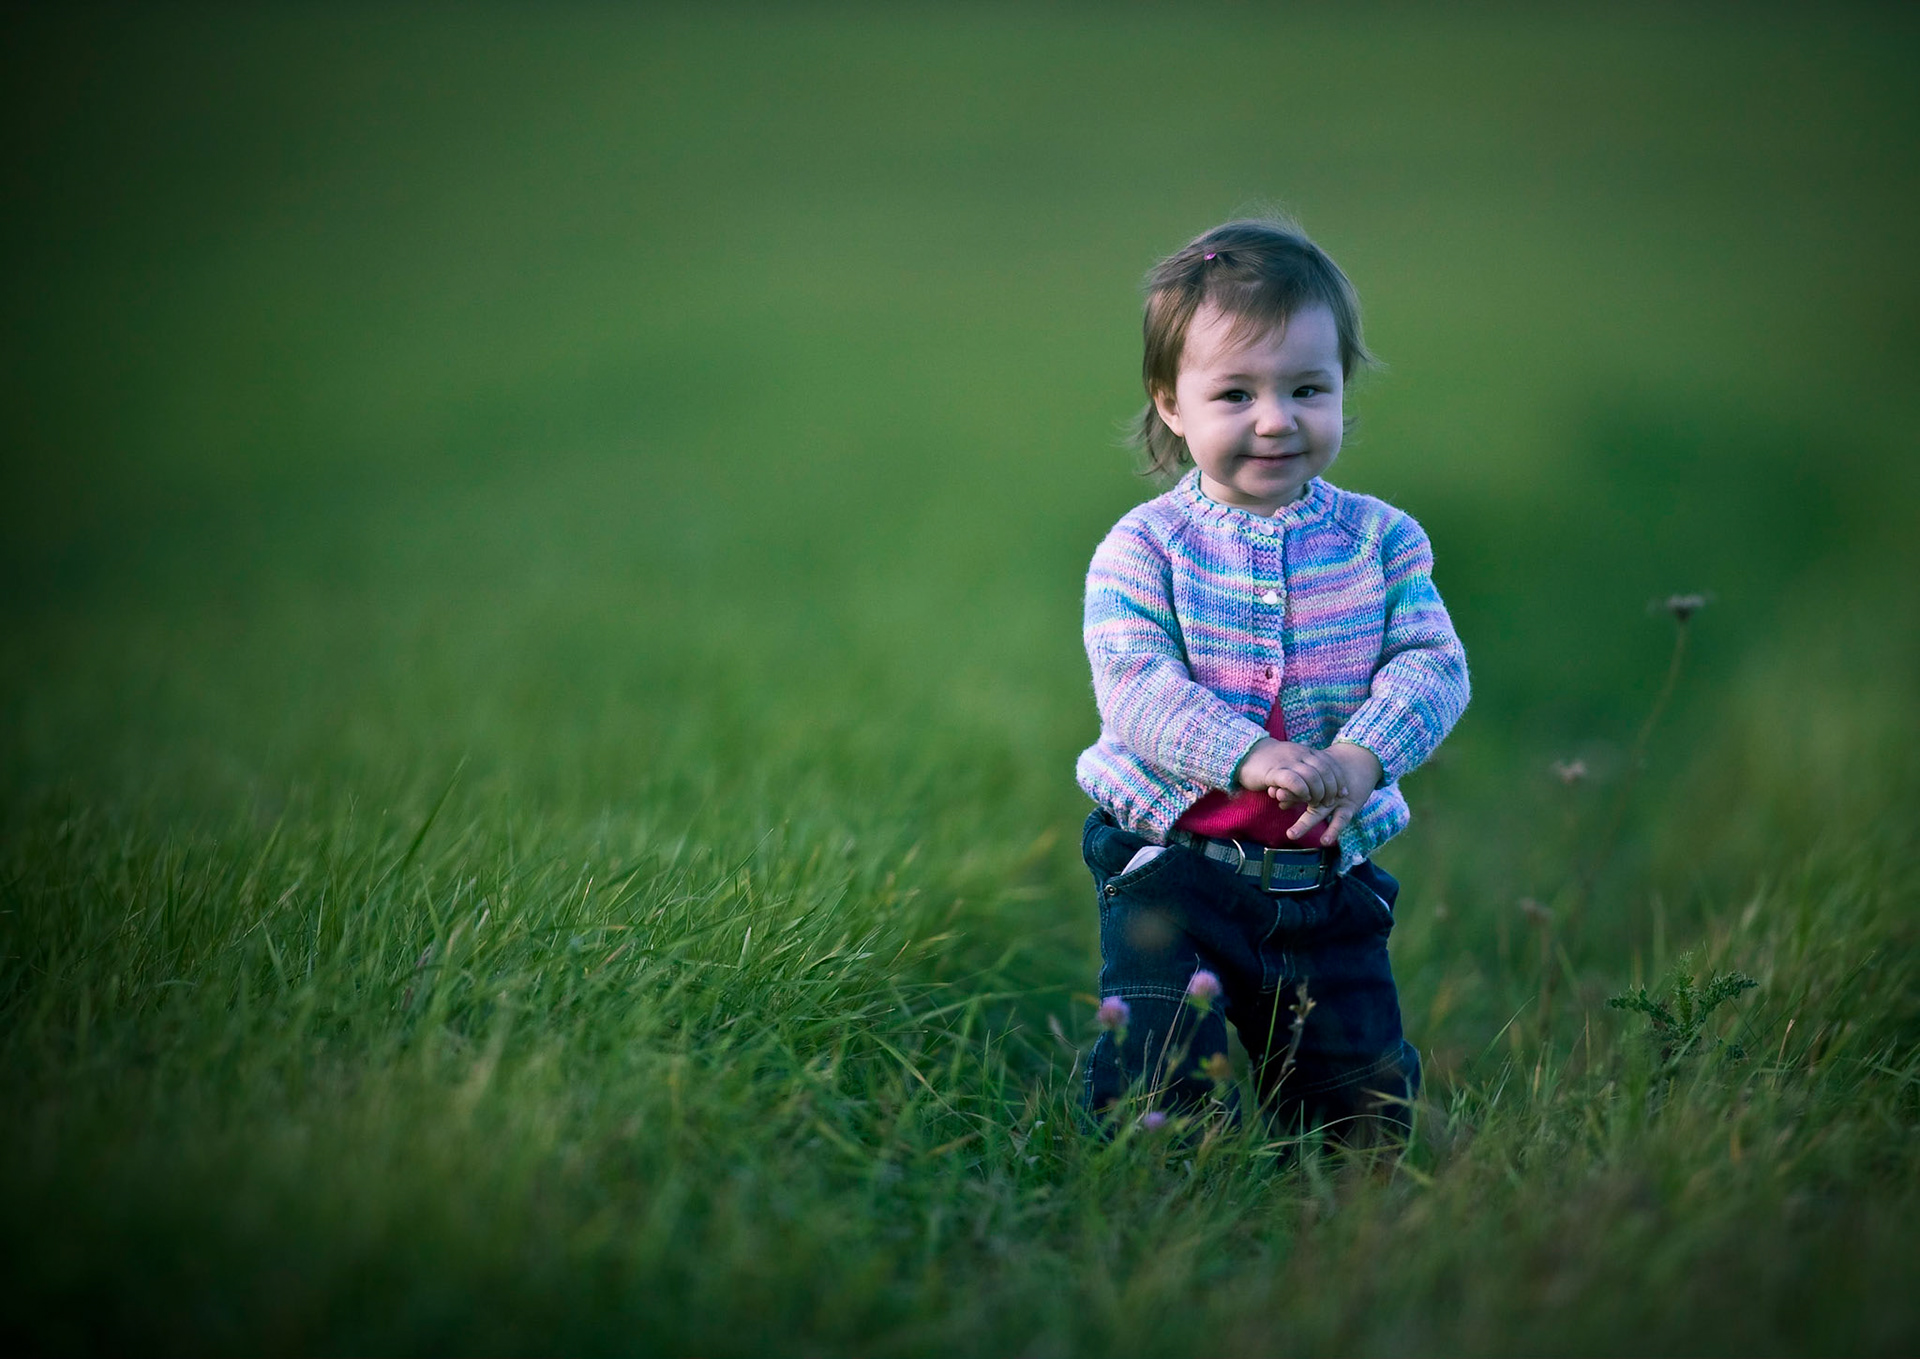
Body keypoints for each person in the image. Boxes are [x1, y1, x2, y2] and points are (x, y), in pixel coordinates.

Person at [1077, 217, 1470, 1144]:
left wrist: (1363, 756)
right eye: (1235, 393)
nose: (1275, 419)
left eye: (1307, 388)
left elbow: (1433, 664)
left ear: (1341, 387)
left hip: (1324, 878)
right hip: (1177, 873)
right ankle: (1162, 1190)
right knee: (1157, 1075)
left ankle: (1345, 1199)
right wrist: (1247, 753)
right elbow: (1136, 685)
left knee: (1358, 1102)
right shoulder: (1145, 548)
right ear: (1172, 402)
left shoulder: (1381, 540)